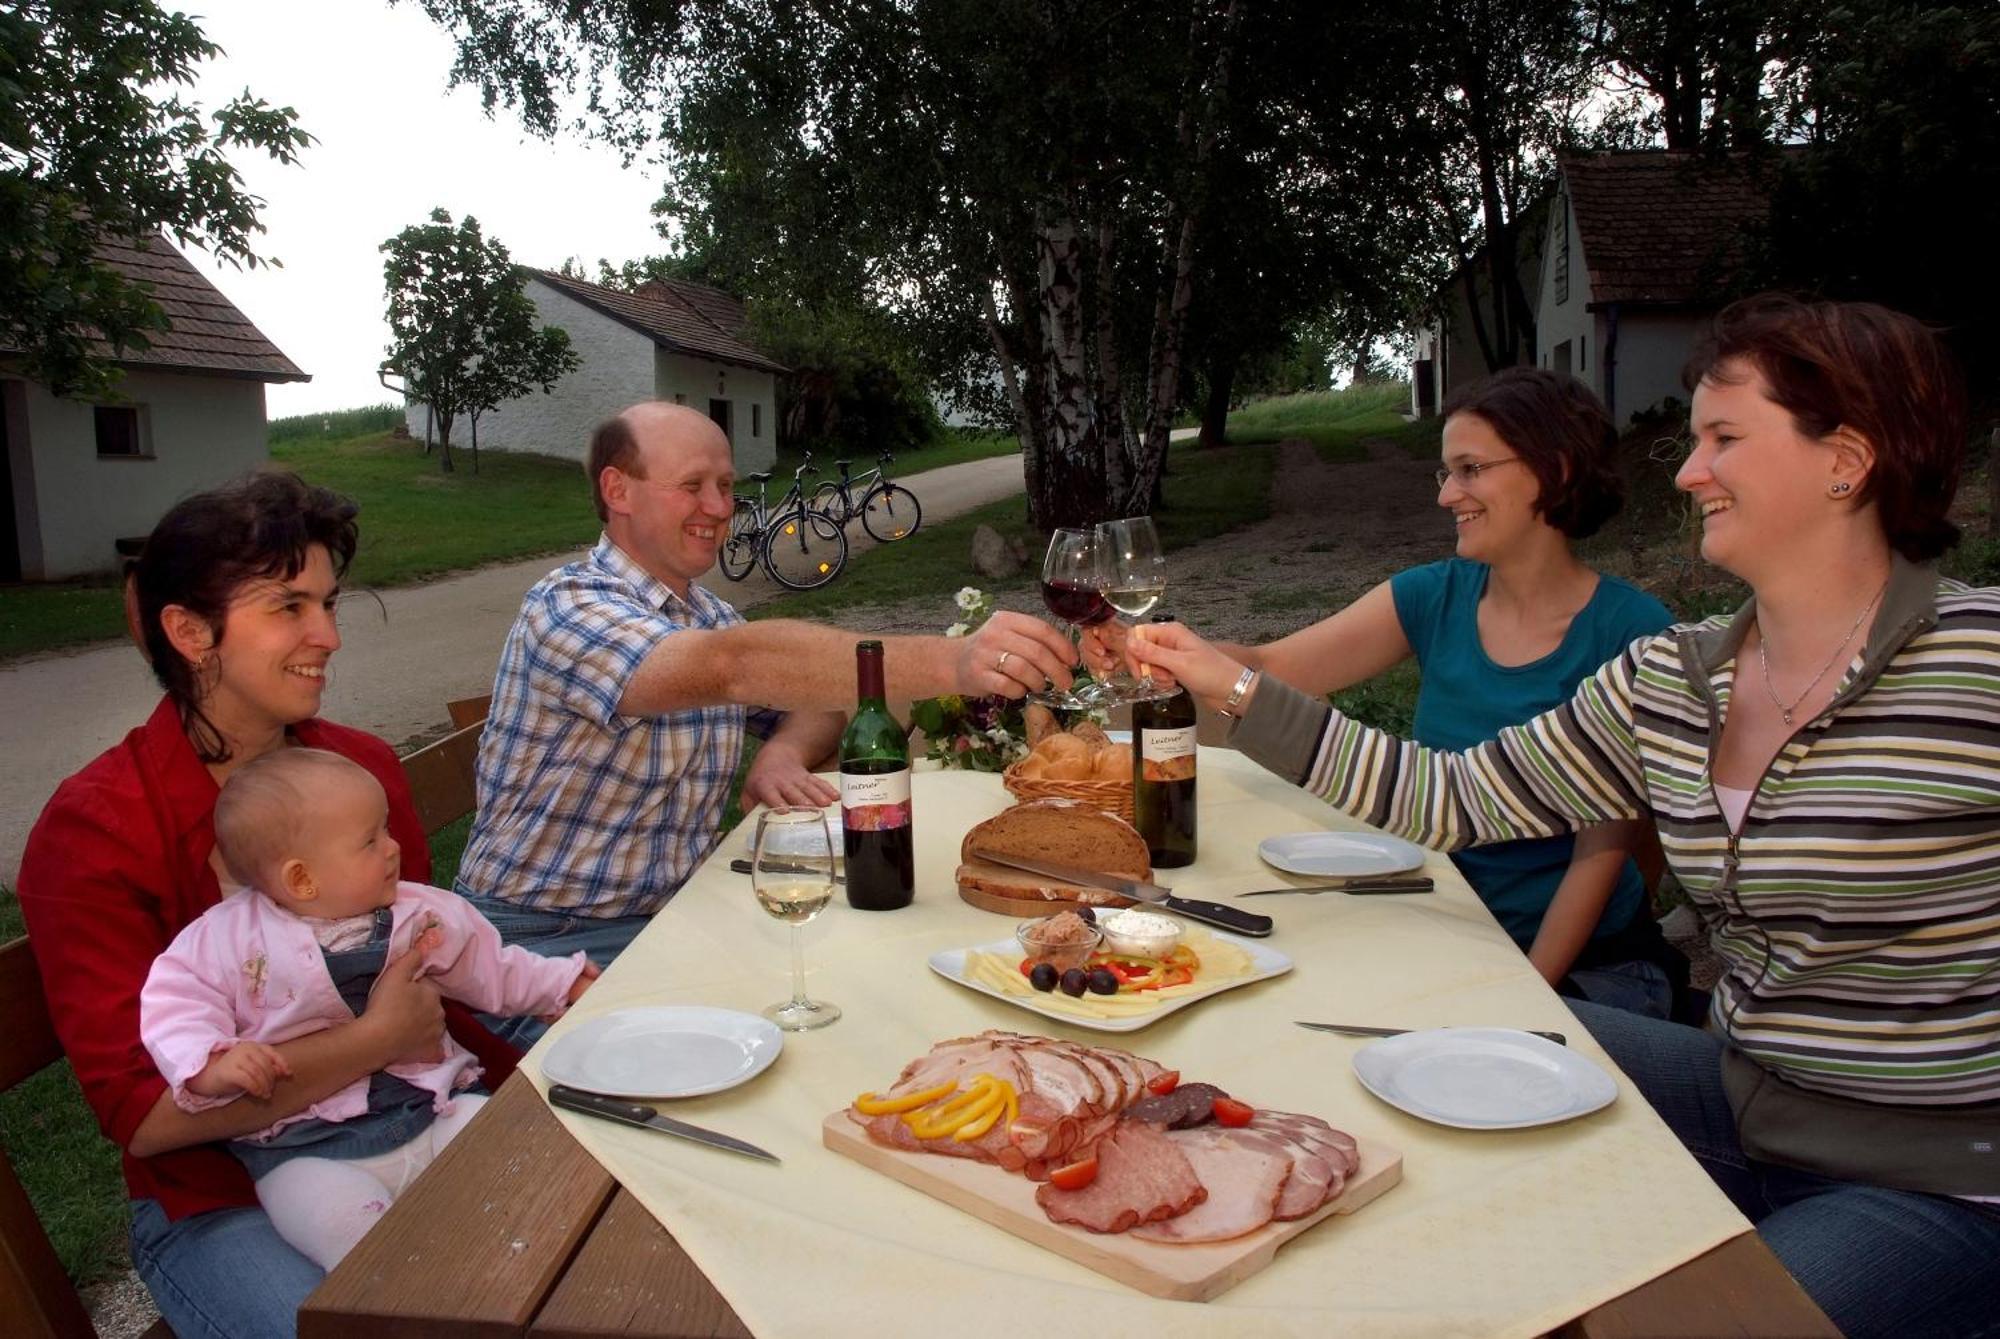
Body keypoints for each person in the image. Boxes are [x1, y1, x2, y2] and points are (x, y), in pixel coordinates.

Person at [1126, 295, 2000, 1337]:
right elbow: (1443, 797)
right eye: (1691, 440)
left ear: (1843, 460)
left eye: (1724, 438)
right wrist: (1227, 685)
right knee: (1378, 1056)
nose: (1683, 471)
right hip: (1746, 1094)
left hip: (1936, 1177)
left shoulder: (1973, 662)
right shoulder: (1670, 677)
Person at [17, 471, 511, 1339]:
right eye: (289, 606)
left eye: (328, 603)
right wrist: (374, 1038)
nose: (327, 634)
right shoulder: (95, 831)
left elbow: (429, 969)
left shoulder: (354, 771)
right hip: (216, 1197)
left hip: (413, 1122)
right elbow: (149, 1120)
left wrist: (536, 1085)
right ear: (188, 631)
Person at [1098, 369, 1679, 1013]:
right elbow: (1272, 664)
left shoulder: (1632, 634)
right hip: (1448, 923)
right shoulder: (1434, 594)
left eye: (1470, 469)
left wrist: (1525, 1001)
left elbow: (1604, 855)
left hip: (1581, 968)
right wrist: (1152, 647)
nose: (1446, 495)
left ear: (1556, 469)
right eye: (1446, 473)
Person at [456, 401, 1077, 989]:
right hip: (539, 940)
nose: (719, 506)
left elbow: (818, 699)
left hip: (672, 912)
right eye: (693, 485)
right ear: (617, 491)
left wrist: (782, 751)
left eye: (726, 486)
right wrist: (954, 661)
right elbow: (737, 667)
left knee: (878, 972)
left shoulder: (703, 611)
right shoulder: (567, 608)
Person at [140, 748, 596, 1271]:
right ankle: (414, 1289)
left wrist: (559, 984)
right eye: (370, 840)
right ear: (302, 880)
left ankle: (537, 1265)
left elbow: (488, 966)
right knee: (346, 1230)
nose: (393, 848)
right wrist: (208, 1061)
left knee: (521, 1148)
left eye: (386, 831)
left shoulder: (418, 914)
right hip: (305, 1149)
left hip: (430, 1109)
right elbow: (174, 1002)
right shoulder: (224, 941)